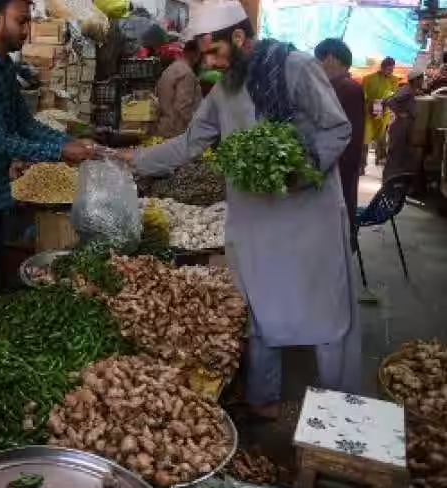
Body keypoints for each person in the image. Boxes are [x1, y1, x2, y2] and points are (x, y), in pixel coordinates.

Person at [117, 0, 361, 420]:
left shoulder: (296, 67)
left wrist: (297, 172)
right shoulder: (225, 87)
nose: (208, 63)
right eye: (204, 54)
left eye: (213, 52)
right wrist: (130, 161)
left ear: (239, 37)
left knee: (324, 310)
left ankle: (340, 408)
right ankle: (262, 398)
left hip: (306, 212)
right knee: (258, 307)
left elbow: (337, 128)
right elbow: (191, 142)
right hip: (255, 218)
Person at [0, 0, 95, 308]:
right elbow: (2, 139)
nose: (27, 30)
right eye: (21, 21)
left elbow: (23, 123)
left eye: (28, 22)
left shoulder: (2, 65)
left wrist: (65, 141)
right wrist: (59, 150)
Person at [315, 38, 364, 252]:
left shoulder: (348, 88)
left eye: (319, 60)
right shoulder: (334, 87)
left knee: (336, 231)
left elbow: (351, 140)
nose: (317, 66)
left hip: (339, 169)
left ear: (332, 59)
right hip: (333, 167)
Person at [154, 40, 203, 138]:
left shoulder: (169, 69)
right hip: (176, 132)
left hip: (164, 128)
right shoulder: (186, 73)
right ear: (194, 54)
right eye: (199, 54)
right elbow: (183, 107)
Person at [383, 69, 426, 181]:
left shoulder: (410, 90)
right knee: (396, 155)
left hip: (406, 126)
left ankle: (395, 181)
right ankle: (388, 181)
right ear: (415, 79)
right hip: (401, 126)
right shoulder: (407, 89)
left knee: (402, 154)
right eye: (421, 78)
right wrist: (400, 113)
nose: (423, 81)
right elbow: (390, 101)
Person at [363, 57, 399, 168]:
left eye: (392, 69)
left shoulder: (394, 80)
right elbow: (363, 95)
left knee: (382, 136)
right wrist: (371, 102)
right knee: (366, 137)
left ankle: (381, 158)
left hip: (384, 112)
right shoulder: (368, 78)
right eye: (389, 69)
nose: (391, 72)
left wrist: (387, 103)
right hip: (370, 111)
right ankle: (362, 163)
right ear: (382, 67)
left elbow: (394, 95)